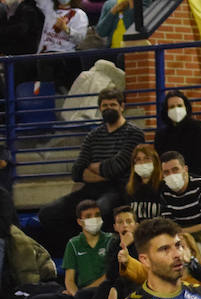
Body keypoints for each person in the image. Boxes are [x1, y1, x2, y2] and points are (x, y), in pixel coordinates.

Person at [38, 87, 142, 252]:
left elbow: (116, 168)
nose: (108, 109)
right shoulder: (93, 136)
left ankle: (99, 253)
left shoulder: (134, 133)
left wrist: (93, 167)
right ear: (100, 108)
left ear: (122, 106)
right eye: (104, 105)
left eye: (113, 105)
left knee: (97, 211)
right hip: (90, 189)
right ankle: (76, 251)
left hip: (118, 191)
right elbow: (77, 171)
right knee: (48, 213)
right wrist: (104, 172)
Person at [27, 199, 112, 299]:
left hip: (103, 293)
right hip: (79, 295)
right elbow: (69, 279)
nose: (94, 219)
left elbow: (109, 275)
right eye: (89, 216)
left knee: (84, 298)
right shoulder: (73, 244)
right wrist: (75, 293)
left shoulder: (111, 240)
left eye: (97, 215)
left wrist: (82, 294)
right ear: (80, 222)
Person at [31, 0, 89, 92]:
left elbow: (80, 38)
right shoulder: (49, 9)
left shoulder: (79, 14)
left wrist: (66, 29)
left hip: (66, 58)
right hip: (45, 57)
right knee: (47, 91)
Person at [154, 90, 201, 180]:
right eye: (172, 107)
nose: (176, 109)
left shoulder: (198, 127)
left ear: (186, 107)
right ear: (166, 111)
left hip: (197, 179)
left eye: (180, 106)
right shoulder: (161, 134)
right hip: (170, 179)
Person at [0, 0, 43, 80]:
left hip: (24, 62)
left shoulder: (29, 11)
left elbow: (20, 31)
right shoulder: (3, 13)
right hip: (6, 59)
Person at [103, 206, 140, 299]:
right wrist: (122, 247)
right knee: (84, 295)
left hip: (135, 284)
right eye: (120, 222)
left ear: (136, 225)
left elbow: (133, 273)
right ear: (115, 227)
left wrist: (115, 288)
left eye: (129, 221)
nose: (125, 225)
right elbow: (110, 274)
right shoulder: (114, 244)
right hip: (116, 284)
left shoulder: (142, 244)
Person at [124, 143, 163, 222]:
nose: (142, 163)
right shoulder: (129, 189)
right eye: (138, 159)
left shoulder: (164, 186)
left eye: (147, 158)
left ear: (155, 162)